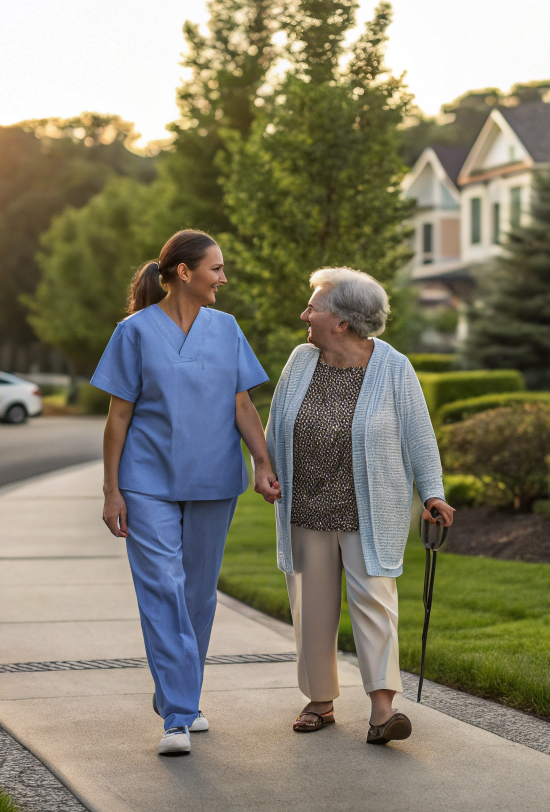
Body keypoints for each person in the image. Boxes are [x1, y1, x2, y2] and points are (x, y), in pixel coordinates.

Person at [92, 230, 277, 757]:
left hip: (214, 479)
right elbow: (118, 417)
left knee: (197, 595)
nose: (223, 277)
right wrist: (112, 491)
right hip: (146, 480)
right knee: (163, 589)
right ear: (183, 273)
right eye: (216, 268)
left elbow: (242, 405)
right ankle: (177, 716)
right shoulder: (133, 332)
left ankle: (182, 695)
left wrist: (262, 463)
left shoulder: (227, 329)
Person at [262, 267, 454, 746]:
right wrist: (264, 469)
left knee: (374, 605)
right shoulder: (301, 360)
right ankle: (320, 701)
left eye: (314, 306)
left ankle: (383, 711)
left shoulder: (393, 367)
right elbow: (276, 423)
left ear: (343, 321)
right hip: (305, 505)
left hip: (369, 509)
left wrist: (433, 493)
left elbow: (419, 435)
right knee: (312, 607)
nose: (305, 314)